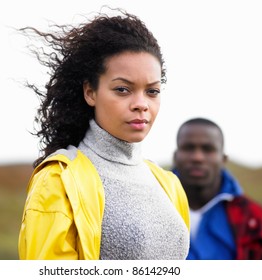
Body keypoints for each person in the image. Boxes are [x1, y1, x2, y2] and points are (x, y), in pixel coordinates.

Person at [18, 8, 190, 260]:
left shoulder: (168, 184)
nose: (141, 103)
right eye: (123, 89)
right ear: (90, 92)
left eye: (152, 91)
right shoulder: (59, 180)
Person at [172, 117, 262, 260]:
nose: (197, 157)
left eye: (208, 149)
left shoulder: (257, 219)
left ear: (223, 159)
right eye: (188, 147)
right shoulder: (148, 209)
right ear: (175, 156)